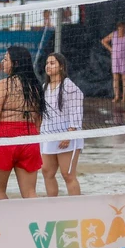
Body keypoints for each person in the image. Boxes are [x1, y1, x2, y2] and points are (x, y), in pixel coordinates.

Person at [0, 46, 46, 200]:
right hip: (29, 137)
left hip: (5, 137)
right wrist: (34, 139)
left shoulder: (4, 84)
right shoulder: (35, 86)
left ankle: (7, 224)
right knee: (30, 193)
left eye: (6, 59)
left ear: (15, 63)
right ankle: (34, 222)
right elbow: (37, 118)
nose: (2, 62)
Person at [39, 53, 83, 197]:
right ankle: (53, 205)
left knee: (67, 174)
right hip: (48, 135)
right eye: (47, 63)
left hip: (67, 134)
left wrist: (69, 134)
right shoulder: (45, 86)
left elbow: (76, 109)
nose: (48, 66)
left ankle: (76, 208)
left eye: (52, 63)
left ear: (61, 66)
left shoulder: (68, 85)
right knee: (47, 171)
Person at [101, 21, 125, 103]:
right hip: (115, 58)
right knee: (115, 78)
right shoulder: (113, 34)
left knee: (124, 78)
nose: (121, 29)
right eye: (120, 27)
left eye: (123, 27)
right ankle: (117, 96)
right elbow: (103, 41)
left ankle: (124, 97)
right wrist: (111, 49)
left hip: (124, 59)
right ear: (118, 28)